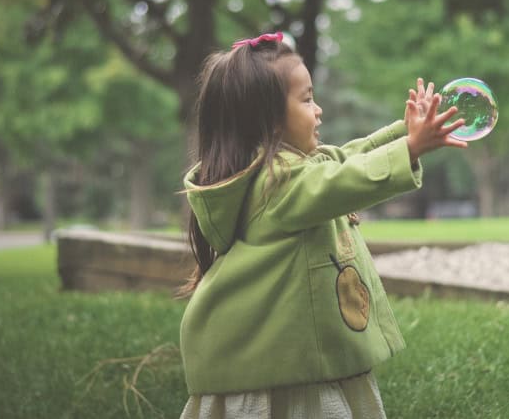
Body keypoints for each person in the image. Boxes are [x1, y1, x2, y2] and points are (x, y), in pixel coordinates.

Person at [178, 32, 467, 419]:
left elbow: (347, 157)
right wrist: (410, 148)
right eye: (307, 98)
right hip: (281, 374)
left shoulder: (288, 170)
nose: (319, 110)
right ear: (270, 121)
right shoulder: (277, 184)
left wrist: (404, 131)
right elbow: (345, 180)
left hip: (293, 359)